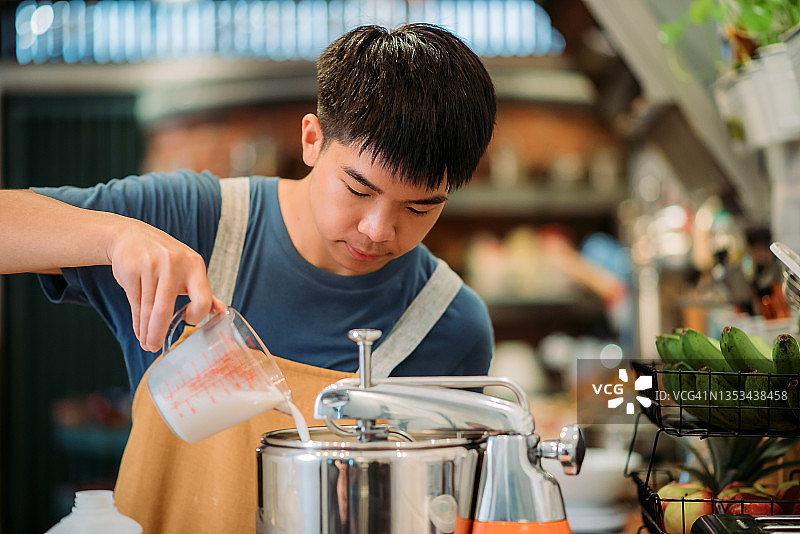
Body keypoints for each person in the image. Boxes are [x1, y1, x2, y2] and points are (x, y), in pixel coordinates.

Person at [0, 23, 496, 532]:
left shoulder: (451, 326)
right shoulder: (194, 219)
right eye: (357, 189)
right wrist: (111, 237)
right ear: (312, 139)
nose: (378, 231)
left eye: (418, 207)